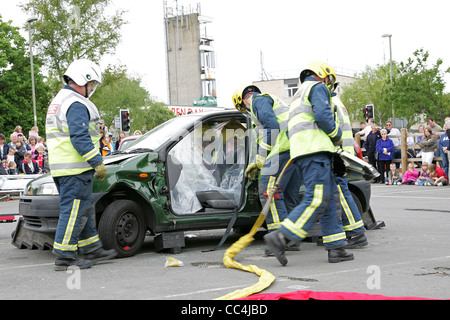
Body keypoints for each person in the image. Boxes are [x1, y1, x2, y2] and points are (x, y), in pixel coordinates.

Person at [264, 60, 353, 266]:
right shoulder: (317, 86)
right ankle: (281, 237)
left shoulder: (297, 96)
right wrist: (336, 135)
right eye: (330, 80)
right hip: (314, 150)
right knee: (317, 198)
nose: (330, 85)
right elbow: (323, 116)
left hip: (305, 152)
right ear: (324, 75)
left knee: (328, 200)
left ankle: (336, 247)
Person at [45, 59, 116, 271]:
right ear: (81, 80)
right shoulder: (76, 103)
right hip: (74, 169)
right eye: (91, 83)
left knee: (83, 209)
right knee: (74, 211)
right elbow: (80, 137)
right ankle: (65, 257)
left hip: (67, 168)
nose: (92, 88)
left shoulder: (62, 99)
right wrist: (97, 162)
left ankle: (91, 248)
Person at [232, 84, 300, 254]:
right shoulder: (271, 101)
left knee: (269, 191)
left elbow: (271, 126)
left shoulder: (258, 101)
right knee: (288, 195)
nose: (246, 112)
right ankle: (291, 239)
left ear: (243, 101)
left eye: (243, 109)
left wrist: (261, 157)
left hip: (280, 150)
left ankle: (279, 240)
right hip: (294, 149)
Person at [331, 88, 368, 248]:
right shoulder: (337, 102)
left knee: (341, 194)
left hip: (337, 153)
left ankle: (357, 233)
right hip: (343, 152)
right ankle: (348, 231)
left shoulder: (329, 103)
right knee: (341, 193)